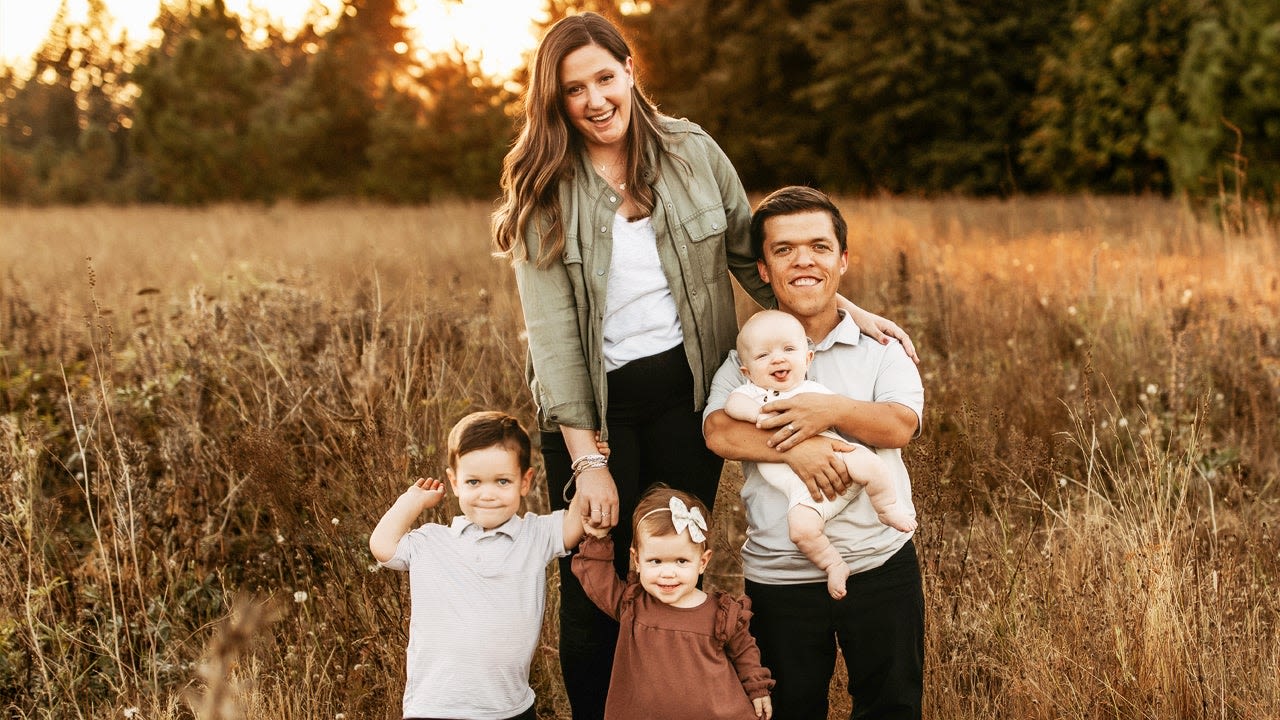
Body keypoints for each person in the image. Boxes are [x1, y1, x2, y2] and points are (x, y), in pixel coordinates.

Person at [490, 13, 914, 717]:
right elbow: (554, 337)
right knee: (595, 578)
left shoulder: (692, 152)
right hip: (592, 417)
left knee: (674, 566)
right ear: (554, 100)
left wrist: (843, 309)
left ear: (630, 71)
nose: (595, 100)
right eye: (574, 89)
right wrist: (587, 460)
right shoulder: (546, 191)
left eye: (605, 77)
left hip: (685, 399)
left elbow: (751, 257)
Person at [703, 186, 926, 719]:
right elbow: (719, 432)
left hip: (879, 564)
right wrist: (799, 448)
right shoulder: (749, 352)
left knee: (891, 707)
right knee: (788, 710)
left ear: (842, 260)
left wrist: (827, 413)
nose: (803, 260)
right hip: (780, 574)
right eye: (784, 250)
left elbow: (899, 424)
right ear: (763, 267)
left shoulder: (881, 348)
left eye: (819, 247)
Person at [369, 411, 590, 720]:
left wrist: (588, 470)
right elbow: (382, 547)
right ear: (454, 482)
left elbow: (574, 524)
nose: (488, 494)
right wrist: (413, 500)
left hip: (509, 707)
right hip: (435, 707)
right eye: (473, 482)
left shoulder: (534, 535)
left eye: (502, 481)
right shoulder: (433, 542)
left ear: (525, 481)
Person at [725, 309, 917, 599]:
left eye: (789, 350)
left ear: (808, 359)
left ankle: (887, 506)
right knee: (801, 531)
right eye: (763, 356)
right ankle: (833, 563)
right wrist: (758, 415)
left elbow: (879, 422)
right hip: (804, 496)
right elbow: (731, 407)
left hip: (843, 463)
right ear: (747, 372)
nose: (778, 359)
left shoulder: (812, 389)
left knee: (873, 465)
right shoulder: (753, 394)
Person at [571, 484, 775, 720]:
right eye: (656, 561)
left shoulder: (721, 613)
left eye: (681, 561)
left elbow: (745, 652)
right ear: (637, 560)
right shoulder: (633, 605)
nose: (668, 573)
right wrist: (597, 538)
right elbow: (598, 579)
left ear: (703, 561)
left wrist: (757, 688)